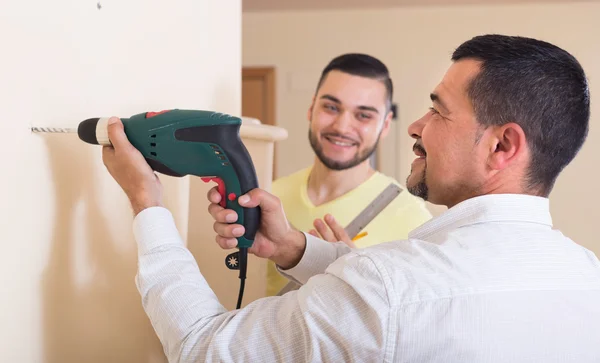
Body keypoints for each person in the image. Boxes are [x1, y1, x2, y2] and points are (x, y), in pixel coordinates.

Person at [102, 34, 600, 362]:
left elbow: (203, 348)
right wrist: (301, 250)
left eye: (440, 112)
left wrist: (148, 205)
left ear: (502, 146)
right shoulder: (586, 276)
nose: (418, 127)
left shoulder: (389, 284)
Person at [266, 53, 432, 296]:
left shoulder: (413, 223)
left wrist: (354, 275)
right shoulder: (271, 196)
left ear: (385, 125)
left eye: (363, 115)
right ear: (312, 109)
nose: (342, 127)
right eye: (331, 107)